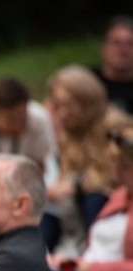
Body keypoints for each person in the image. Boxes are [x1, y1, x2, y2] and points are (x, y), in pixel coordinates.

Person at [52, 119, 133, 271]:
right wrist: (69, 262)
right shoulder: (119, 196)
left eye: (124, 165)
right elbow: (99, 248)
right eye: (114, 163)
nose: (116, 172)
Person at [42, 65, 128, 255]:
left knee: (94, 199)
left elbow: (115, 175)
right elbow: (66, 171)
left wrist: (75, 186)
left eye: (68, 104)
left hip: (108, 198)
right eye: (58, 105)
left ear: (87, 102)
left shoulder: (115, 126)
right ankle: (42, 255)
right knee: (45, 208)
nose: (63, 113)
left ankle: (92, 256)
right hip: (74, 201)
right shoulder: (68, 130)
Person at [92, 16, 133, 114]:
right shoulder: (86, 83)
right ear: (103, 48)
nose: (123, 50)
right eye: (116, 43)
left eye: (130, 44)